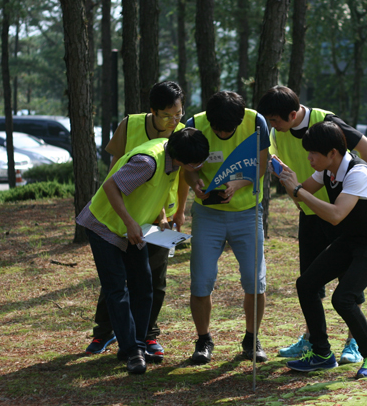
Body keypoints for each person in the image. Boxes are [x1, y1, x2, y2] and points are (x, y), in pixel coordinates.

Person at [274, 121, 367, 378]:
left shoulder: (358, 173)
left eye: (314, 153)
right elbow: (301, 196)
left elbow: (335, 215)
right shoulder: (327, 171)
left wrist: (297, 189)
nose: (309, 158)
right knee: (306, 284)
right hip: (353, 236)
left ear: (333, 153)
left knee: (343, 298)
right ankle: (322, 354)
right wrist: (286, 178)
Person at [257, 85, 367, 364]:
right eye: (269, 120)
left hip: (340, 215)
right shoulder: (277, 132)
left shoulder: (326, 122)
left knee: (348, 283)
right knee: (309, 281)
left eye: (275, 120)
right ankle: (312, 339)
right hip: (310, 214)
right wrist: (295, 194)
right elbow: (284, 169)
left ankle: (354, 342)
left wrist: (364, 192)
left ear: (293, 114)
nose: (272, 126)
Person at [77, 128, 210, 374]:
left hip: (135, 228)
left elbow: (152, 190)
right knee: (117, 289)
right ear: (181, 159)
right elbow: (110, 186)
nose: (199, 167)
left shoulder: (172, 159)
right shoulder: (147, 162)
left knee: (143, 286)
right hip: (105, 226)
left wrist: (161, 216)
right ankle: (133, 351)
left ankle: (134, 345)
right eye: (196, 163)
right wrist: (129, 222)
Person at [85, 81, 187, 362]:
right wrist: (125, 215)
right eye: (167, 116)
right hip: (123, 216)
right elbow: (115, 171)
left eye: (179, 114)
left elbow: (179, 177)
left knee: (151, 279)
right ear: (152, 111)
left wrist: (175, 211)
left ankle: (145, 336)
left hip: (156, 219)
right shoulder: (130, 126)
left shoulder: (181, 134)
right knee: (116, 282)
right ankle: (107, 332)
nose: (174, 122)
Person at [180, 91, 270, 364]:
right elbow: (188, 167)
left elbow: (262, 164)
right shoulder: (195, 124)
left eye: (227, 130)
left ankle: (251, 339)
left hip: (247, 212)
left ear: (239, 120)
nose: (221, 134)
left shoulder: (256, 123)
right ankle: (203, 340)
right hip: (208, 214)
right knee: (201, 281)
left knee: (255, 281)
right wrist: (195, 183)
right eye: (217, 129)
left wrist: (238, 184)